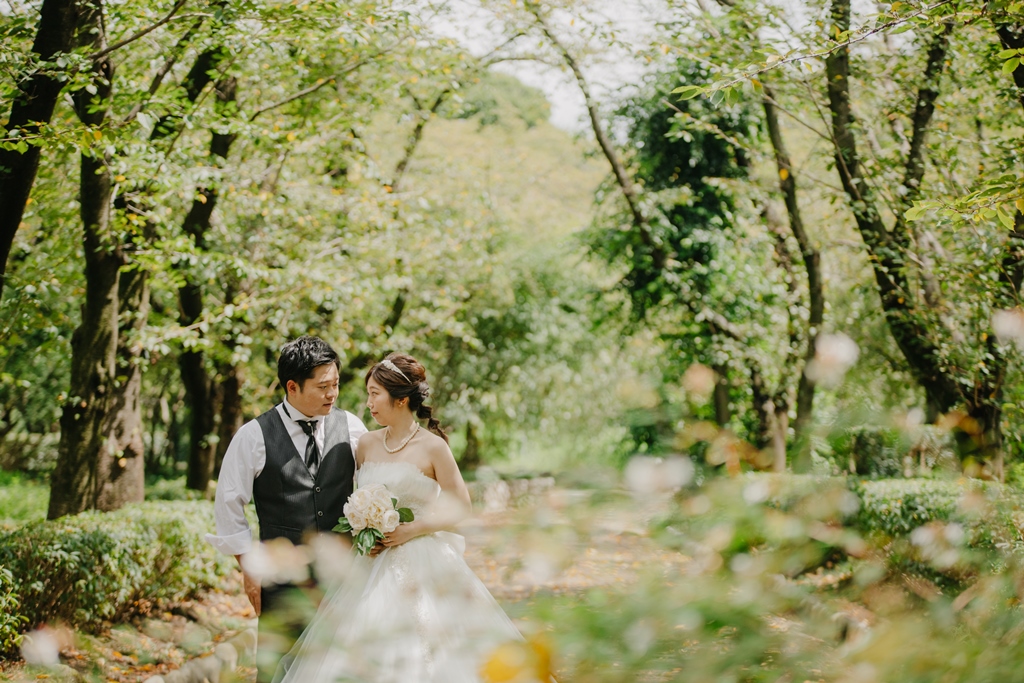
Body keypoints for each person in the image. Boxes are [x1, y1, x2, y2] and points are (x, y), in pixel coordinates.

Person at [274, 353, 525, 683]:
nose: (368, 404)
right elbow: (357, 498)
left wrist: (414, 530)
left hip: (424, 560)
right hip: (371, 564)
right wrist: (364, 530)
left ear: (402, 398)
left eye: (375, 394)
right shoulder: (365, 444)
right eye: (368, 394)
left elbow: (461, 505)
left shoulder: (434, 447)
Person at [205, 336, 368, 683]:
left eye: (336, 384)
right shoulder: (253, 436)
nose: (333, 394)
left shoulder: (353, 427)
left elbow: (372, 490)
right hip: (283, 583)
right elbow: (229, 508)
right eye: (323, 386)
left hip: (343, 579)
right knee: (279, 670)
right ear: (292, 386)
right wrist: (249, 571)